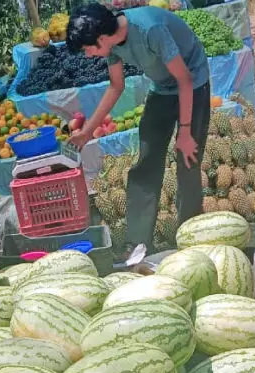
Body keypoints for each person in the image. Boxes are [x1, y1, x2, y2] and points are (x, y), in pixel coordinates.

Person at [66, 3, 211, 259]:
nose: (88, 55)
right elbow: (116, 86)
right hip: (162, 87)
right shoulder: (112, 45)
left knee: (187, 159)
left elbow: (184, 79)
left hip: (192, 81)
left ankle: (192, 237)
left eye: (87, 49)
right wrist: (87, 132)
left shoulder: (150, 29)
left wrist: (185, 132)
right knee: (146, 159)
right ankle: (138, 243)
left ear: (100, 39)